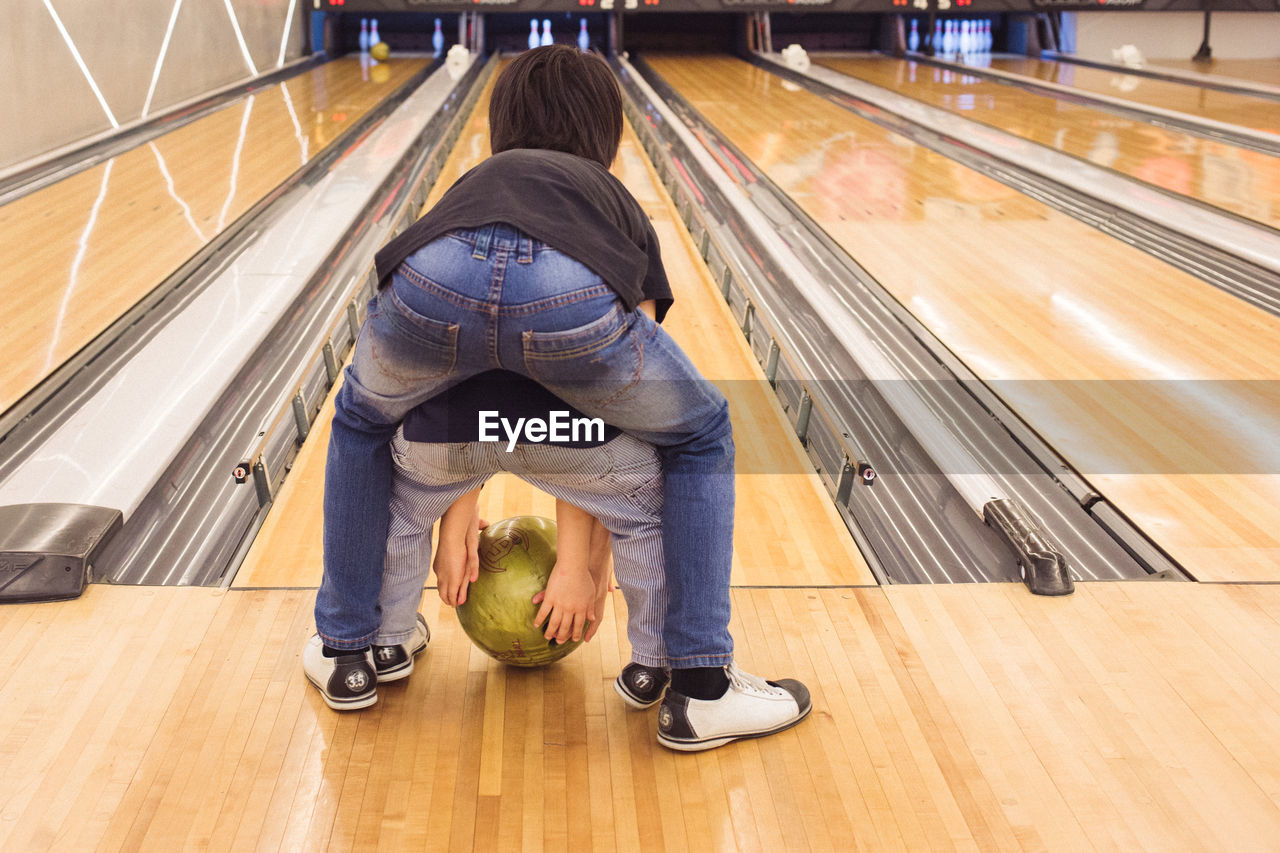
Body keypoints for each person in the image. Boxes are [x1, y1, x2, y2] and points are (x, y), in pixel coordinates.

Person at [307, 45, 809, 749]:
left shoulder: (474, 183)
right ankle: (697, 686)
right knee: (699, 432)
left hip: (431, 276)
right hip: (567, 292)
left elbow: (466, 370)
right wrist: (582, 563)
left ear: (497, 129)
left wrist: (460, 515)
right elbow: (605, 401)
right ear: (607, 134)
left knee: (362, 423)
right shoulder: (609, 200)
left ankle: (353, 652)